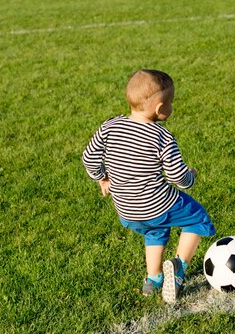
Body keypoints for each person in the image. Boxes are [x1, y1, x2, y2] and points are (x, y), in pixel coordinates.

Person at [82, 69, 215, 303]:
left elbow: (89, 157)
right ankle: (178, 268)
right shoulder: (162, 137)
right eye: (171, 102)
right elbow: (177, 175)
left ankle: (153, 280)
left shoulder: (110, 125)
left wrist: (102, 178)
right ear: (160, 108)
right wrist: (191, 177)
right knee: (198, 218)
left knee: (155, 230)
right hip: (157, 203)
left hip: (127, 210)